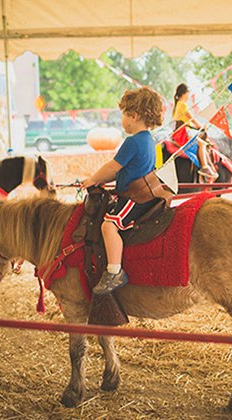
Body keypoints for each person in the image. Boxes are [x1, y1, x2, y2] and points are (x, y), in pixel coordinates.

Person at [81, 87, 164, 295]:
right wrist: (97, 181)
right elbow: (120, 171)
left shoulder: (132, 142)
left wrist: (93, 178)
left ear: (133, 116)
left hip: (136, 197)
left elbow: (113, 167)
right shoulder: (148, 140)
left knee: (109, 226)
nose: (122, 120)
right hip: (145, 191)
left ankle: (114, 271)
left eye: (124, 115)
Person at [172, 83, 218, 180]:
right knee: (202, 144)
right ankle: (204, 167)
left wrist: (197, 127)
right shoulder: (183, 105)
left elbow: (188, 122)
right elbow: (192, 119)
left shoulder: (178, 105)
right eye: (188, 93)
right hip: (183, 133)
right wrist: (201, 126)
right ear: (184, 94)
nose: (188, 96)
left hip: (180, 131)